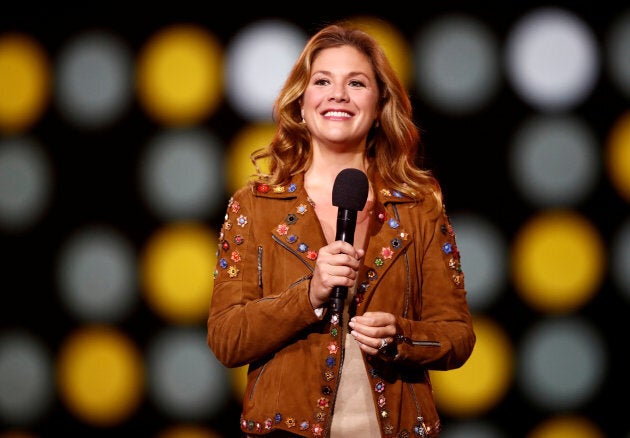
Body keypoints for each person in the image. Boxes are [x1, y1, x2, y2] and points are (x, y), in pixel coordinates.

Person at [206, 20, 476, 438]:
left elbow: (457, 336)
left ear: (379, 103)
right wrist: (308, 296)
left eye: (356, 83)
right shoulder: (256, 205)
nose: (338, 95)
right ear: (301, 102)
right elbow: (227, 339)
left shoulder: (419, 206)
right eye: (323, 81)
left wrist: (399, 336)